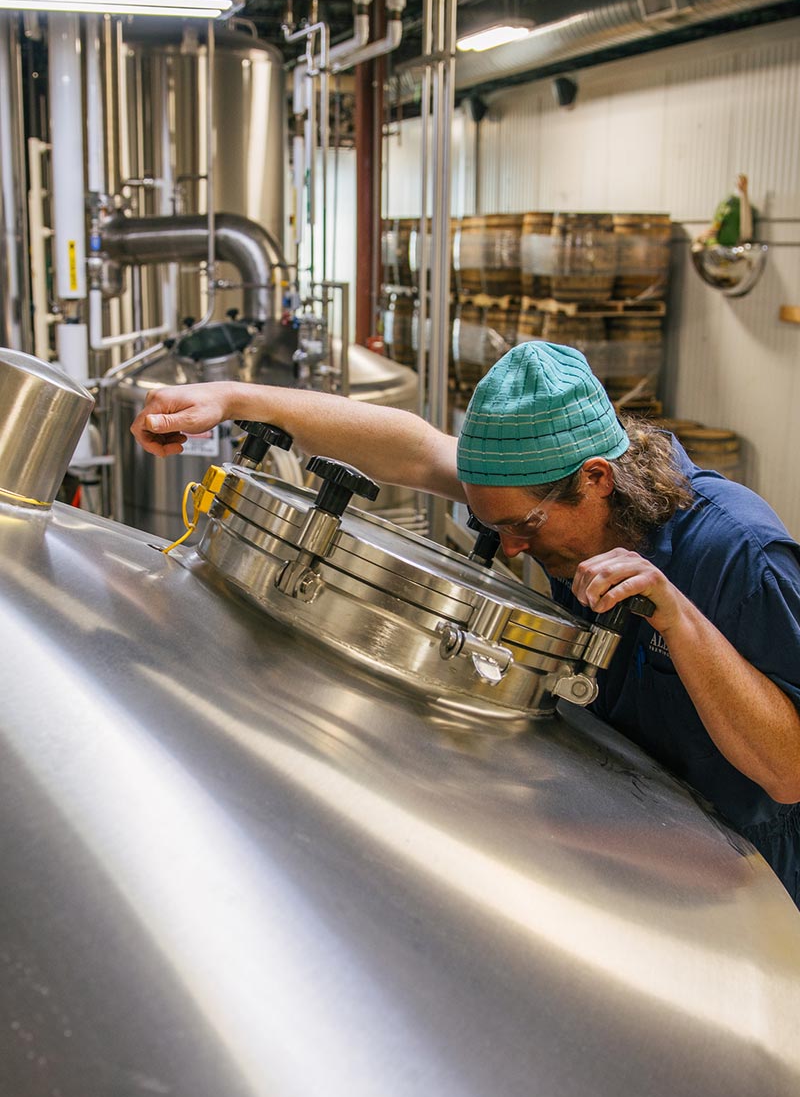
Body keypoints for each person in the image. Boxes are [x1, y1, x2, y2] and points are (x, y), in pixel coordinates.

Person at [131, 340, 800, 906]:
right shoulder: (553, 495)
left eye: (521, 528)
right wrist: (234, 400)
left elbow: (790, 771)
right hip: (629, 815)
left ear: (595, 477)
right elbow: (417, 450)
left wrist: (678, 619)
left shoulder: (741, 555)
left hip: (743, 871)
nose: (509, 549)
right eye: (494, 527)